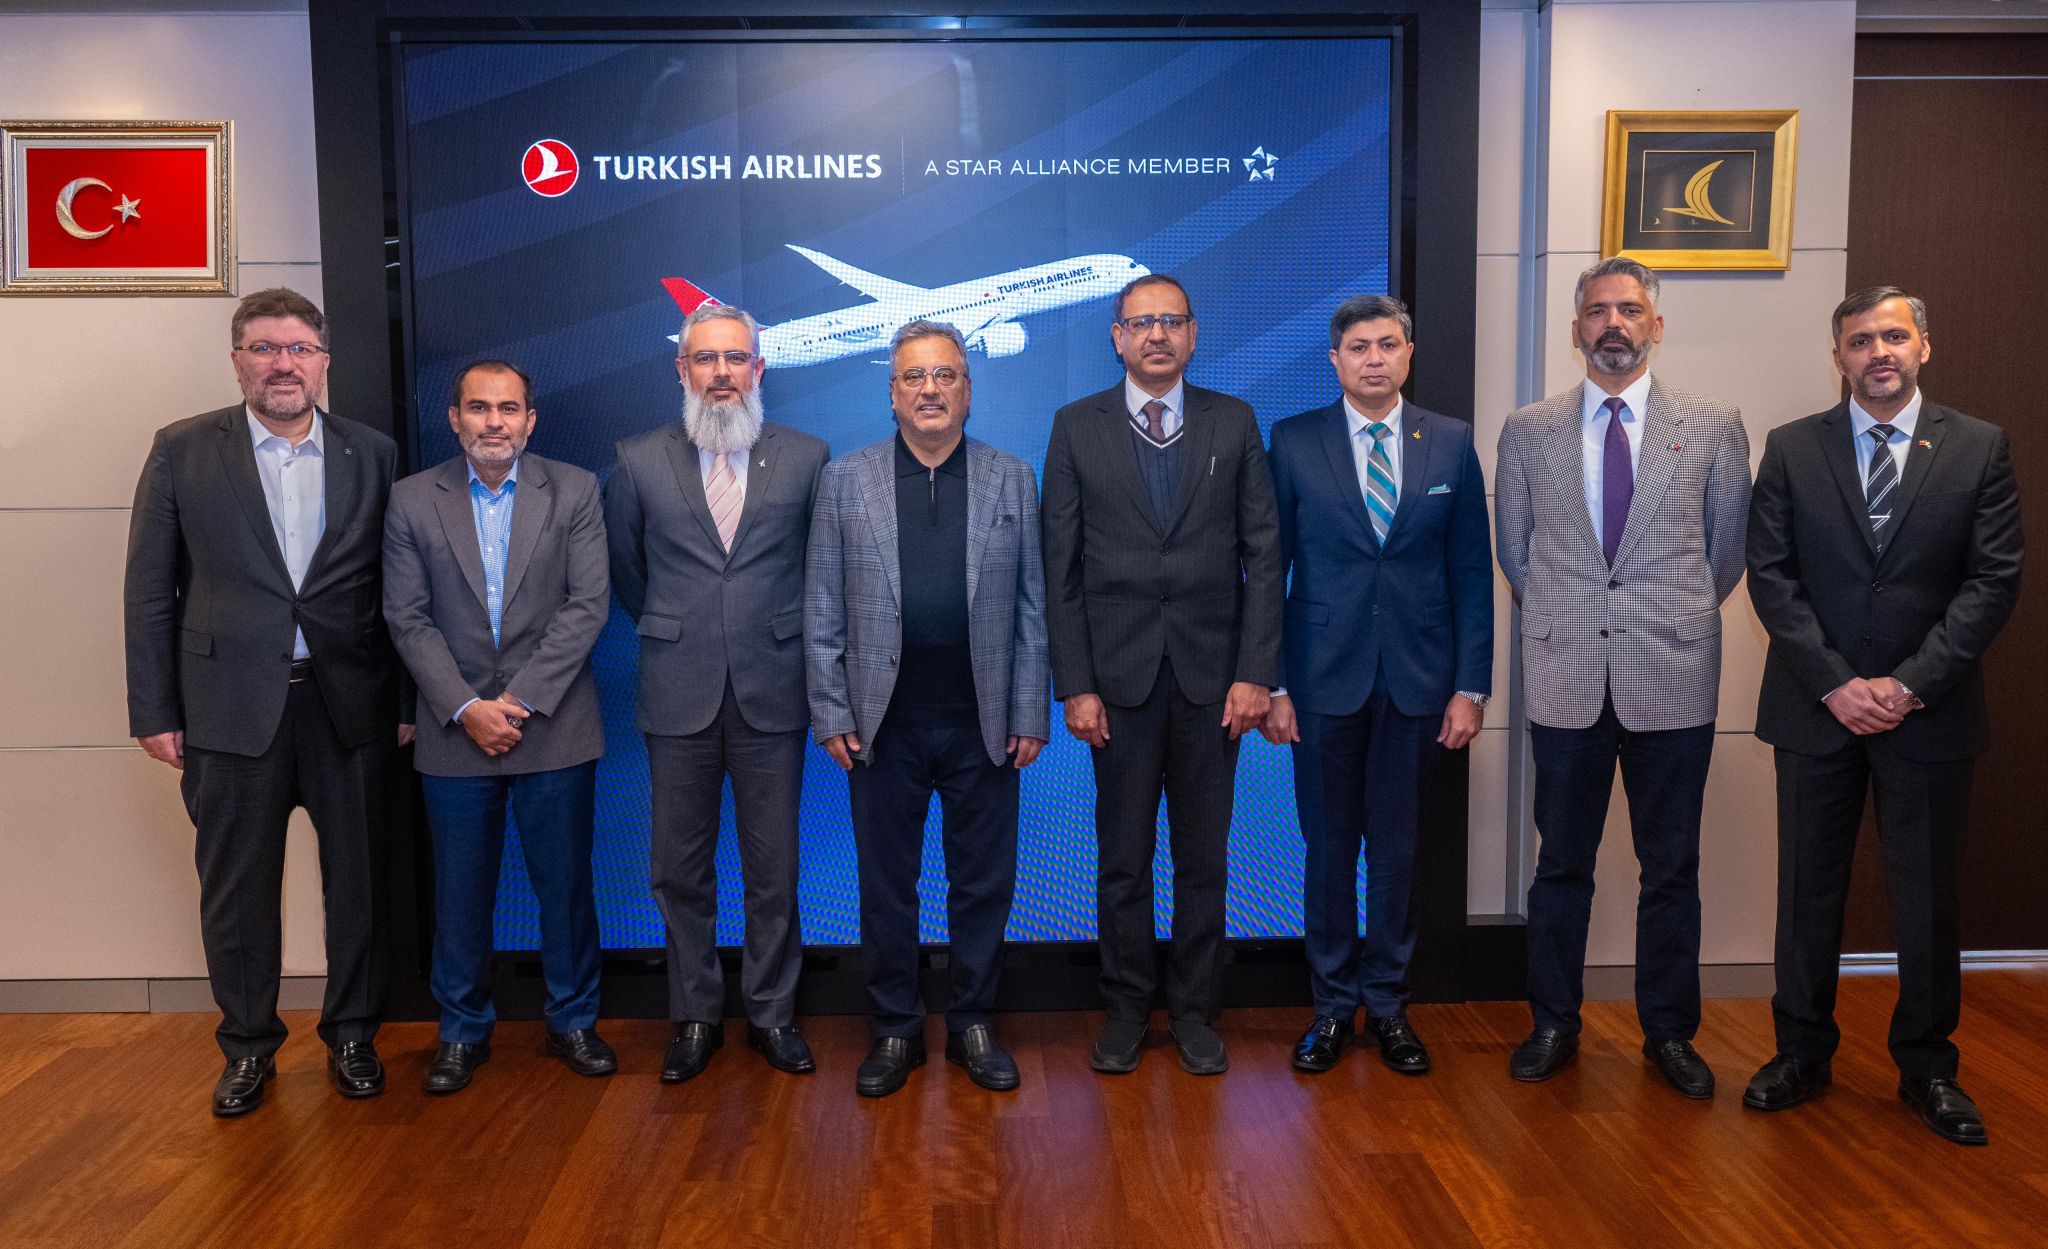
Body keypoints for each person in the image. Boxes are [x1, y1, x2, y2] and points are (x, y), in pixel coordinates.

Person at [1742, 287, 2023, 1145]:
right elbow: (1771, 576)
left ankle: (1929, 1067)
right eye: (1860, 340)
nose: (1879, 353)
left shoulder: (1978, 446)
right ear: (1839, 355)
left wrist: (1907, 685)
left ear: (1924, 346)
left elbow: (1992, 581)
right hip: (1815, 709)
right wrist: (1837, 684)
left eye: (1894, 336)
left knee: (1927, 898)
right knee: (1807, 892)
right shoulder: (1792, 446)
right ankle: (1801, 1052)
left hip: (1928, 714)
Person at [124, 287, 410, 1117]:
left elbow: (398, 589)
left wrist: (403, 700)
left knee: (359, 883)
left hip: (350, 704)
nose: (283, 363)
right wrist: (154, 709)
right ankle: (248, 1045)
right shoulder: (182, 449)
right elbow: (150, 590)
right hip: (225, 707)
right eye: (264, 348)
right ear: (237, 360)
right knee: (237, 889)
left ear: (323, 362)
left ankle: (352, 1034)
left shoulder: (372, 452)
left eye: (298, 349)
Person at [1493, 257, 1751, 1096]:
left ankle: (1669, 1033)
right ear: (1576, 330)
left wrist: (1661, 617)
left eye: (1630, 310)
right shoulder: (1528, 429)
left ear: (1656, 326)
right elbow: (1517, 553)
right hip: (1567, 675)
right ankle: (1553, 1022)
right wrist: (1576, 617)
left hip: (1671, 675)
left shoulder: (1712, 425)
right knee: (1560, 864)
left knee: (1670, 867)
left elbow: (1725, 554)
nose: (1614, 323)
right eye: (1598, 310)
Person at [1041, 274, 1284, 1075]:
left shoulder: (1233, 421)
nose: (1156, 335)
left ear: (1192, 333)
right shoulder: (1075, 426)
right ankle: (1124, 1011)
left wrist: (1256, 672)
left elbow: (1263, 554)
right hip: (1117, 685)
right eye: (1141, 323)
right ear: (1117, 337)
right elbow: (1060, 569)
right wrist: (1075, 683)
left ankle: (1194, 1012)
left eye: (1170, 321)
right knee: (1123, 859)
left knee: (1203, 860)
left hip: (1216, 686)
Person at [806, 321, 1050, 1097]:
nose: (930, 389)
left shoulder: (1013, 478)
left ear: (968, 391)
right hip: (883, 725)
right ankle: (895, 1029)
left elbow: (1033, 607)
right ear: (892, 393)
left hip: (983, 724)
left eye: (945, 375)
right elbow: (822, 605)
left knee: (983, 885)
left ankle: (974, 1022)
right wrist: (831, 709)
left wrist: (1029, 710)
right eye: (914, 376)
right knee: (887, 886)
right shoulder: (846, 480)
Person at [1263, 295, 1493, 1074]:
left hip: (1420, 683)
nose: (1373, 358)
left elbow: (1471, 571)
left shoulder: (1451, 442)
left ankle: (1389, 1006)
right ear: (1334, 359)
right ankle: (1332, 1007)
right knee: (1328, 852)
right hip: (1320, 682)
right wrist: (1273, 684)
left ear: (1408, 353)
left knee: (1398, 853)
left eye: (1387, 344)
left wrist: (1471, 686)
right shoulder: (1293, 440)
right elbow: (1269, 570)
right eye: (1358, 346)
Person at [605, 303, 829, 1082]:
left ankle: (773, 1013)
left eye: (737, 358)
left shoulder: (806, 457)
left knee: (774, 868)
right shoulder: (637, 460)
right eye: (707, 359)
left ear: (759, 368)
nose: (723, 372)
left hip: (775, 689)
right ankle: (695, 1015)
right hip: (678, 691)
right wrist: (680, 628)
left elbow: (819, 569)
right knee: (679, 868)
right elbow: (628, 573)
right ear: (682, 369)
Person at [383, 360, 615, 1093]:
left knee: (565, 889)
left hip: (554, 726)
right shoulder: (411, 499)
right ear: (454, 418)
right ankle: (461, 1031)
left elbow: (588, 605)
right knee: (459, 893)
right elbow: (406, 617)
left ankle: (574, 1021)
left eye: (508, 408)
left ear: (530, 420)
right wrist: (466, 707)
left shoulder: (575, 489)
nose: (494, 422)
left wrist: (517, 701)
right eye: (478, 408)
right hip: (454, 729)